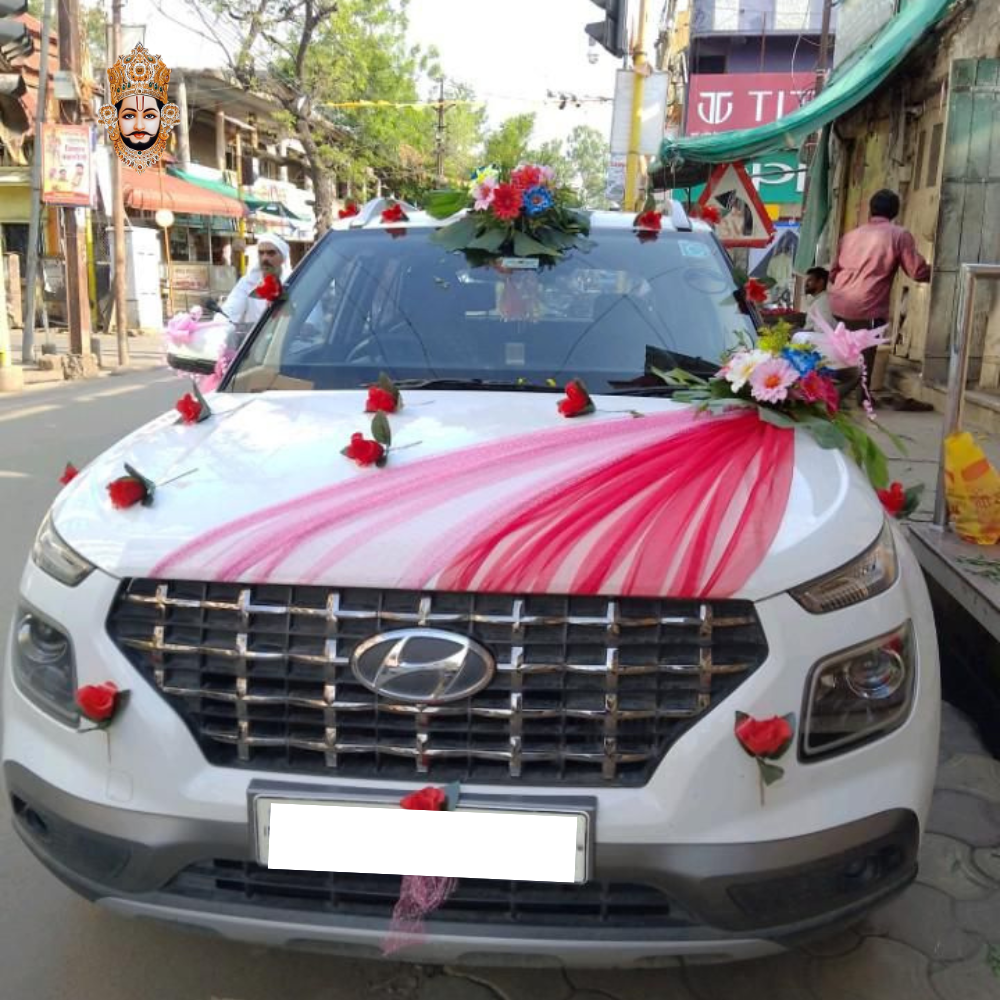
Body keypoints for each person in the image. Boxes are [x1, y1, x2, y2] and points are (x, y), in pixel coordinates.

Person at [829, 189, 931, 404]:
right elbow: (917, 271)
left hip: (839, 302)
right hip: (867, 305)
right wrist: (942, 272)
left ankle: (837, 391)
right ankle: (858, 396)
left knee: (844, 351)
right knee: (866, 352)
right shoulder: (899, 235)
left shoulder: (850, 236)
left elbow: (833, 273)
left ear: (871, 209)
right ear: (895, 211)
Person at [220, 233, 292, 330]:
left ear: (282, 258)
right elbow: (229, 313)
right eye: (261, 253)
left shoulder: (294, 283)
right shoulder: (248, 283)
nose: (265, 258)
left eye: (271, 253)